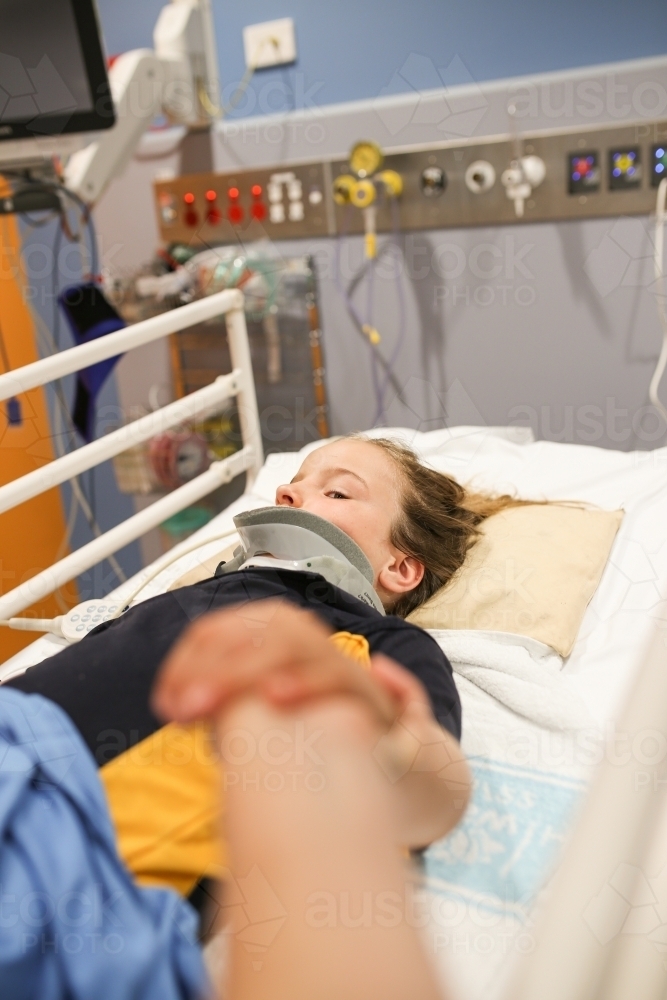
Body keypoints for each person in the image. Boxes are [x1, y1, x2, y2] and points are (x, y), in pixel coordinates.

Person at [6, 436, 523, 899]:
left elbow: (428, 794)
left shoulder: (378, 638)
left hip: (69, 844)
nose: (287, 493)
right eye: (293, 483)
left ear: (400, 567)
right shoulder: (191, 593)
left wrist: (374, 727)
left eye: (338, 492)